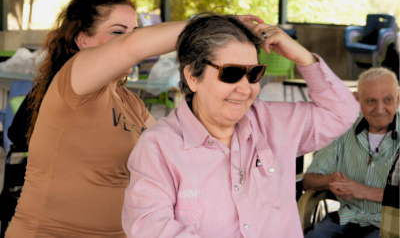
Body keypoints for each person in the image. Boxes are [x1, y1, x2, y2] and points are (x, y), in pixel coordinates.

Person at [121, 13, 359, 237]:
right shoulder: (159, 147)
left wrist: (303, 57)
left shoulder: (273, 123)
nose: (245, 88)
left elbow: (342, 112)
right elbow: (150, 228)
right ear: (193, 76)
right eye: (231, 73)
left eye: (254, 73)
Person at [4, 0, 205, 237]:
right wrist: (222, 27)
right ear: (83, 40)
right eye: (117, 32)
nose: (127, 40)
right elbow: (133, 47)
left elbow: (174, 152)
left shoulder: (128, 100)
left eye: (133, 31)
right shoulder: (75, 79)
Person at [303, 67, 400, 238]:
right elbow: (308, 180)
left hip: (389, 225)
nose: (379, 109)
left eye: (388, 100)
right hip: (345, 218)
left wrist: (361, 190)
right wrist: (329, 181)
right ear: (357, 99)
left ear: (398, 100)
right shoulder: (343, 130)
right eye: (371, 101)